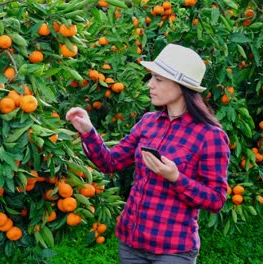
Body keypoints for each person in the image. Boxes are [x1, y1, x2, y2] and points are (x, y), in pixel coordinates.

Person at [66, 44, 230, 264]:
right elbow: (111, 162)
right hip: (131, 243)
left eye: (159, 79)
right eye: (152, 78)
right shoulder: (149, 123)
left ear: (181, 86)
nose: (150, 85)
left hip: (172, 249)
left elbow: (216, 199)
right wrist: (87, 131)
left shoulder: (209, 136)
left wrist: (176, 178)